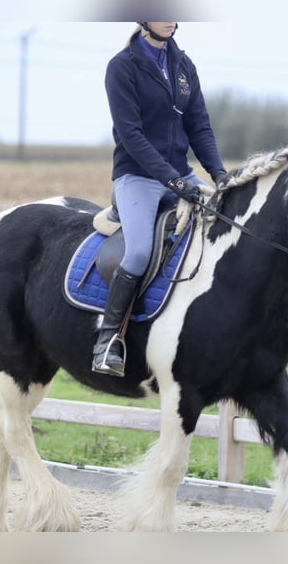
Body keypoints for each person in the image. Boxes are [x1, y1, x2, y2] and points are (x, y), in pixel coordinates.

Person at [92, 22, 227, 376]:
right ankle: (108, 341)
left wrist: (220, 175)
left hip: (181, 174)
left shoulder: (183, 66)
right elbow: (131, 135)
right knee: (137, 253)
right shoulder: (121, 67)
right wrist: (169, 179)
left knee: (224, 225)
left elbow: (200, 127)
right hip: (137, 176)